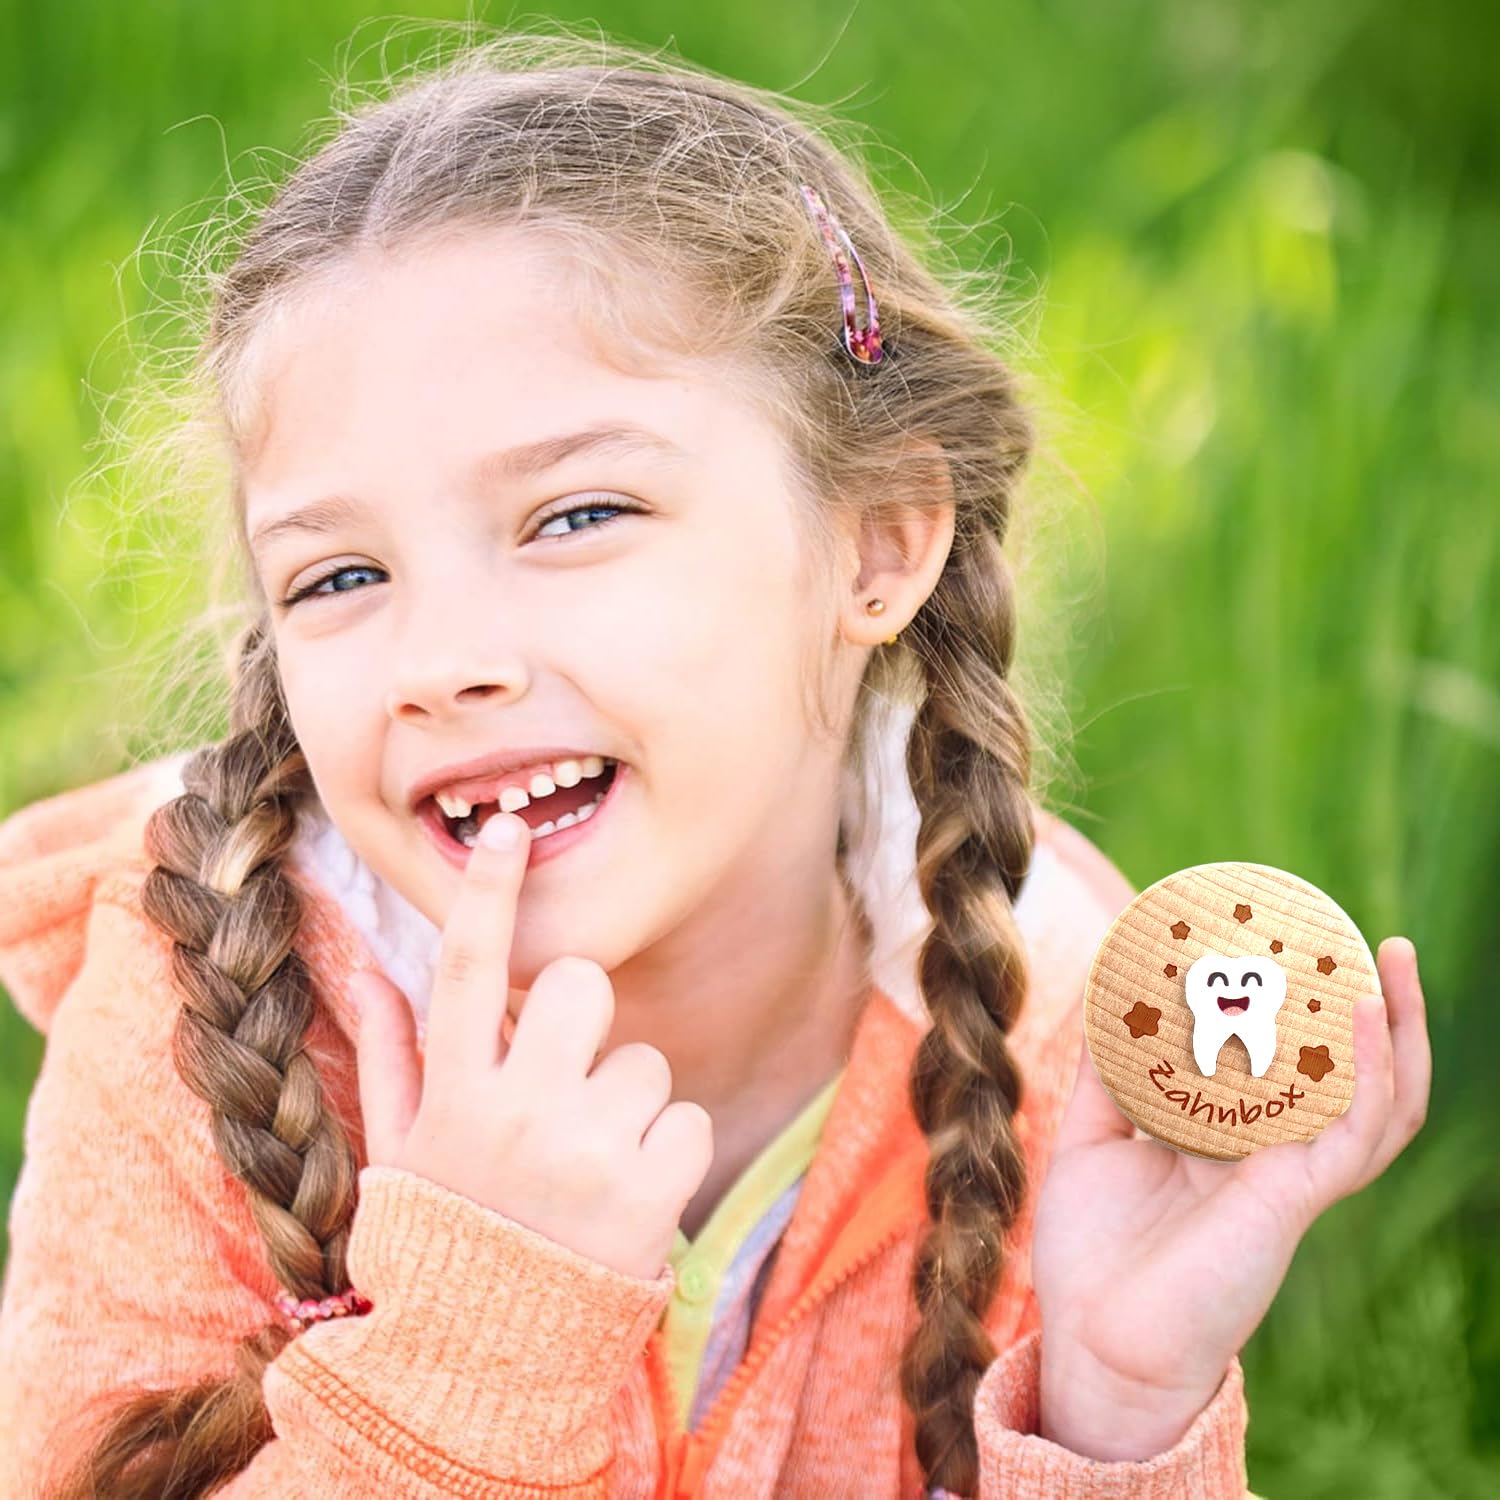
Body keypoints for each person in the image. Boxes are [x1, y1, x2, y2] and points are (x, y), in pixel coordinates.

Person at [0, 28, 1431, 1500]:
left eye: (575, 516)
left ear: (876, 544)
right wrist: (471, 1344)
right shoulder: (198, 1012)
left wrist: (1118, 1413)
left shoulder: (1038, 1029)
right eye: (339, 577)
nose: (441, 661)